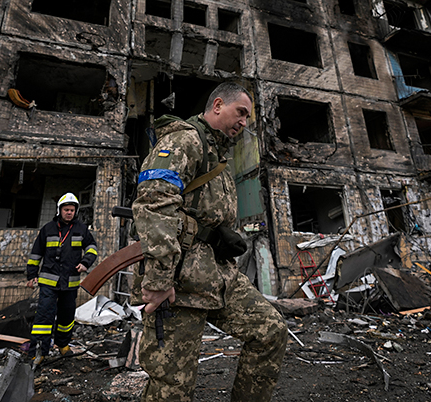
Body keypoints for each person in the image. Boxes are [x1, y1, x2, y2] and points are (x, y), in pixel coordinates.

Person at [131, 82, 288, 401]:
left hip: (219, 276)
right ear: (218, 105)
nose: (244, 122)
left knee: (271, 331)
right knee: (171, 386)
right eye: (240, 112)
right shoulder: (184, 140)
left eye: (248, 117)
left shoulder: (219, 156)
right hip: (181, 281)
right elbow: (154, 204)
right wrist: (160, 279)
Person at [26, 192, 98, 362]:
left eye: (72, 210)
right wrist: (31, 275)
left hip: (70, 283)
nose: (69, 213)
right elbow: (36, 254)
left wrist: (86, 262)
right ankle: (39, 352)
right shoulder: (47, 229)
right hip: (48, 283)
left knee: (67, 317)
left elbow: (92, 248)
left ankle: (63, 345)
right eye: (66, 209)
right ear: (59, 210)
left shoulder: (81, 229)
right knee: (43, 317)